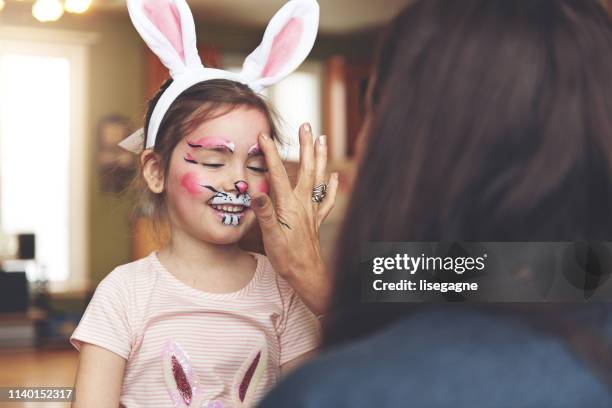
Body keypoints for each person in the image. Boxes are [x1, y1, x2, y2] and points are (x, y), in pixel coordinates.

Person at [254, 0, 612, 406]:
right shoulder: (565, 272)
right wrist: (311, 273)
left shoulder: (331, 394)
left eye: (374, 105)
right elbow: (505, 274)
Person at [70, 0, 336, 406]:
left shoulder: (285, 292)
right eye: (213, 160)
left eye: (256, 163)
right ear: (156, 171)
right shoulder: (123, 294)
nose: (239, 180)